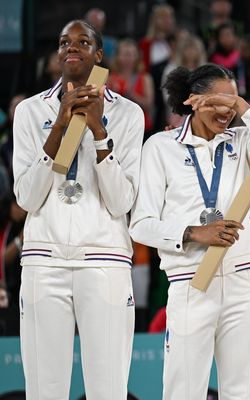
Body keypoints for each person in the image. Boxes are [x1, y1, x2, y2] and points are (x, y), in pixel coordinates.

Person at [129, 63, 250, 399]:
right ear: (194, 101)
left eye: (232, 103)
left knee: (242, 391)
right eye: (218, 103)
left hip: (245, 283)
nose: (226, 112)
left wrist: (244, 109)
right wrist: (193, 233)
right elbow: (141, 225)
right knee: (184, 390)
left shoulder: (245, 141)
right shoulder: (161, 147)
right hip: (190, 283)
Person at [12, 20, 144, 399]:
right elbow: (26, 198)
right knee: (44, 387)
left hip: (104, 260)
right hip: (43, 260)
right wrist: (59, 127)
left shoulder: (129, 114)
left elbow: (121, 201)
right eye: (64, 42)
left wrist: (100, 130)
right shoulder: (29, 111)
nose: (72, 47)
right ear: (57, 55)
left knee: (108, 388)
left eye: (83, 41)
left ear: (99, 54)